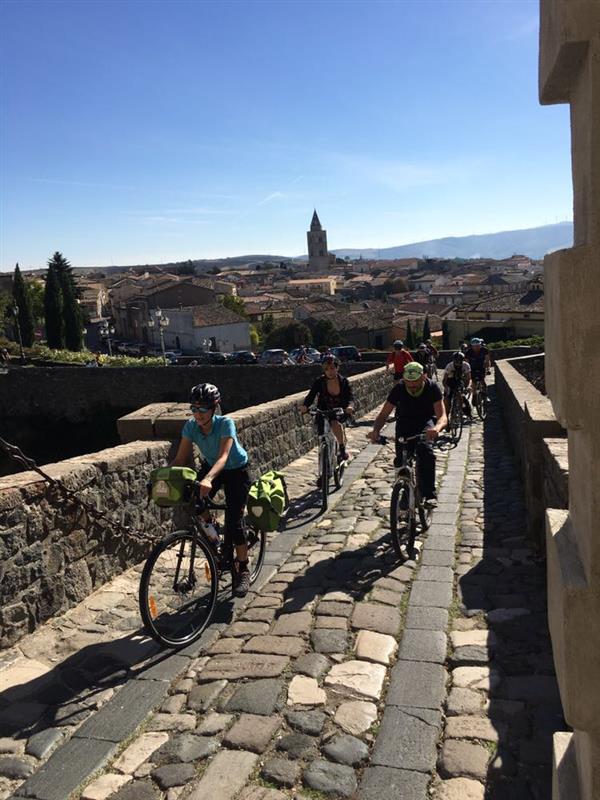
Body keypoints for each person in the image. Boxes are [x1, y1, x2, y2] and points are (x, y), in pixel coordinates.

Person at [170, 383, 252, 597]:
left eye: (203, 409)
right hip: (211, 467)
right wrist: (162, 477)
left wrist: (207, 479)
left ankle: (243, 567)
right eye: (194, 408)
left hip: (236, 470)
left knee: (235, 523)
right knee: (193, 500)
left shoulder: (225, 423)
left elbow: (224, 457)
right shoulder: (191, 426)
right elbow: (179, 459)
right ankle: (213, 531)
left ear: (214, 408)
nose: (198, 414)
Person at [367, 361, 447, 507]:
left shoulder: (432, 387)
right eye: (408, 381)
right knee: (401, 461)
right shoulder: (399, 388)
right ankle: (405, 492)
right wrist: (376, 430)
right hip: (404, 423)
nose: (412, 385)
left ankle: (429, 494)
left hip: (425, 422)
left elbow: (442, 416)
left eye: (415, 381)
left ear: (423, 376)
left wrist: (437, 428)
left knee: (426, 453)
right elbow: (383, 414)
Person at [300, 355, 354, 473]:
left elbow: (350, 397)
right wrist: (305, 406)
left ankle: (342, 449)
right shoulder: (320, 382)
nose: (330, 371)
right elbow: (311, 395)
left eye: (332, 368)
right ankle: (323, 471)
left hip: (338, 410)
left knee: (335, 424)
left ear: (337, 368)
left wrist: (349, 407)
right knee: (322, 438)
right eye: (327, 369)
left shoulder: (344, 382)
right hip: (323, 410)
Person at [442, 351, 472, 417]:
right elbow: (444, 379)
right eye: (456, 361)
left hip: (459, 380)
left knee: (461, 395)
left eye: (459, 361)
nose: (458, 362)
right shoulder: (449, 366)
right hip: (450, 380)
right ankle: (446, 415)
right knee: (447, 398)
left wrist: (467, 386)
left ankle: (463, 410)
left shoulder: (466, 365)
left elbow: (468, 378)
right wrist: (446, 388)